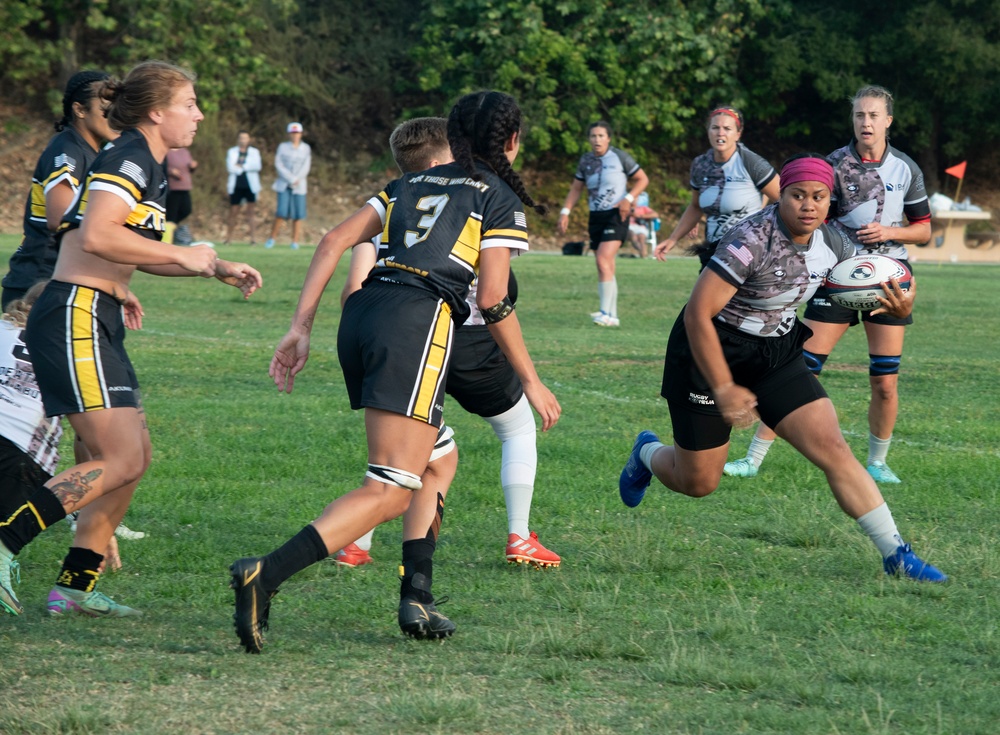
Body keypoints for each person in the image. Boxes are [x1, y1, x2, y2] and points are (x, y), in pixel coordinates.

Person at [231, 90, 561, 653]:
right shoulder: (496, 193)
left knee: (439, 459)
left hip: (364, 314)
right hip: (416, 322)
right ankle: (266, 573)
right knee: (389, 488)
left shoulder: (409, 183)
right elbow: (495, 297)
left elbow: (335, 239)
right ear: (511, 141)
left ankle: (418, 596)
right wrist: (529, 377)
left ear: (452, 140)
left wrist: (300, 327)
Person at [0, 60, 262, 619]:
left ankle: (74, 586)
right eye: (190, 104)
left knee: (132, 456)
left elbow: (125, 246)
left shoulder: (151, 162)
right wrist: (180, 254)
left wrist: (212, 265)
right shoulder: (130, 155)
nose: (198, 114)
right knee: (116, 456)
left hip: (98, 314)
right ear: (156, 111)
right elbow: (95, 234)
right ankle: (4, 540)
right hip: (73, 313)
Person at [618, 154, 946, 584]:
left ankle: (896, 554)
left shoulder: (835, 242)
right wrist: (722, 386)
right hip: (709, 350)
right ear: (781, 197)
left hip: (775, 353)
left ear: (830, 203)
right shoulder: (751, 239)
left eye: (818, 197)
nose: (807, 205)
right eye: (797, 196)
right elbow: (699, 313)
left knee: (833, 448)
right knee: (699, 482)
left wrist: (899, 299)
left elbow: (877, 278)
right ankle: (646, 452)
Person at [335, 117, 560, 570]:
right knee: (515, 428)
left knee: (400, 444)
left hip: (395, 334)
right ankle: (519, 534)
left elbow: (351, 289)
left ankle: (356, 541)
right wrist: (531, 379)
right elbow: (493, 292)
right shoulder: (472, 195)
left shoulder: (390, 202)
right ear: (441, 161)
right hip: (468, 336)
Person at [724, 86, 932, 484]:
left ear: (888, 120)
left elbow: (923, 231)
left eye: (873, 116)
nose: (865, 122)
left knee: (885, 379)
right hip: (837, 276)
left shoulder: (906, 169)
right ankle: (752, 460)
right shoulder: (834, 165)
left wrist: (889, 231)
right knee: (800, 369)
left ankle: (878, 463)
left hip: (888, 282)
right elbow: (811, 215)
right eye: (859, 116)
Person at [2, 71, 116, 311]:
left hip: (58, 277)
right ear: (80, 110)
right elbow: (59, 217)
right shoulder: (68, 149)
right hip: (38, 281)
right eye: (105, 109)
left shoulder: (90, 152)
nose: (115, 116)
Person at [655, 106, 780, 269]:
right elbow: (695, 207)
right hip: (713, 250)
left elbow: (785, 199)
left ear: (738, 134)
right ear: (708, 132)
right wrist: (673, 239)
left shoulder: (751, 162)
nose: (720, 133)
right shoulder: (700, 164)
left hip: (747, 250)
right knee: (702, 295)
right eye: (715, 128)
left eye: (727, 128)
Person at [557, 121, 648, 327]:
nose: (597, 140)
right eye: (593, 136)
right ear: (589, 139)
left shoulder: (619, 157)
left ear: (608, 138)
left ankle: (606, 313)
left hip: (617, 214)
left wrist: (629, 199)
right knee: (605, 265)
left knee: (602, 260)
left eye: (601, 136)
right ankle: (611, 314)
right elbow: (576, 189)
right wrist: (565, 212)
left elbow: (642, 179)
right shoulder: (586, 160)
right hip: (595, 216)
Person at [264, 122, 311, 250]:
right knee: (281, 212)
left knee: (297, 214)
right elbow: (278, 164)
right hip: (284, 183)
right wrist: (290, 178)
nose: (295, 135)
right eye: (293, 133)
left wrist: (296, 179)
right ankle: (271, 238)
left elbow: (306, 166)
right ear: (289, 134)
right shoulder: (283, 147)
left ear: (301, 134)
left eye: (297, 133)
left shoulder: (306, 148)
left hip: (299, 185)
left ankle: (295, 241)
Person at [224, 130, 262, 245]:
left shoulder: (254, 152)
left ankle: (253, 239)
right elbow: (230, 167)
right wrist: (243, 167)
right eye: (241, 138)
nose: (243, 140)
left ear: (249, 140)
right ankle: (228, 238)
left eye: (245, 138)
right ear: (238, 139)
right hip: (236, 185)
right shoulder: (232, 151)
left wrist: (241, 166)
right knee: (233, 211)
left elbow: (257, 166)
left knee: (250, 212)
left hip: (250, 185)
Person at [165, 146, 198, 244]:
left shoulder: (185, 151)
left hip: (185, 186)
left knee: (186, 210)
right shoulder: (167, 151)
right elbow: (160, 166)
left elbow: (189, 167)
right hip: (172, 187)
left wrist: (192, 166)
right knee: (171, 214)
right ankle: (168, 237)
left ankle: (171, 230)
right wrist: (171, 171)